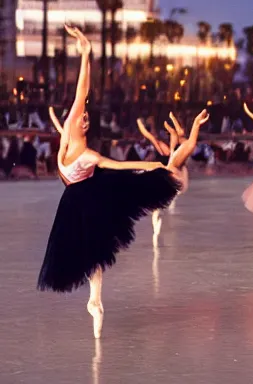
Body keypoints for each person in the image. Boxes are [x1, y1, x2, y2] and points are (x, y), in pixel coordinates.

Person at [38, 26, 185, 339]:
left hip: (86, 192)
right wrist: (86, 53)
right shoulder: (69, 132)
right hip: (75, 196)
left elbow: (120, 164)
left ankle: (95, 299)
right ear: (72, 121)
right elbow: (82, 91)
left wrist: (153, 165)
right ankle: (94, 297)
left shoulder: (88, 152)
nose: (85, 117)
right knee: (84, 248)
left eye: (87, 116)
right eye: (81, 117)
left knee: (97, 246)